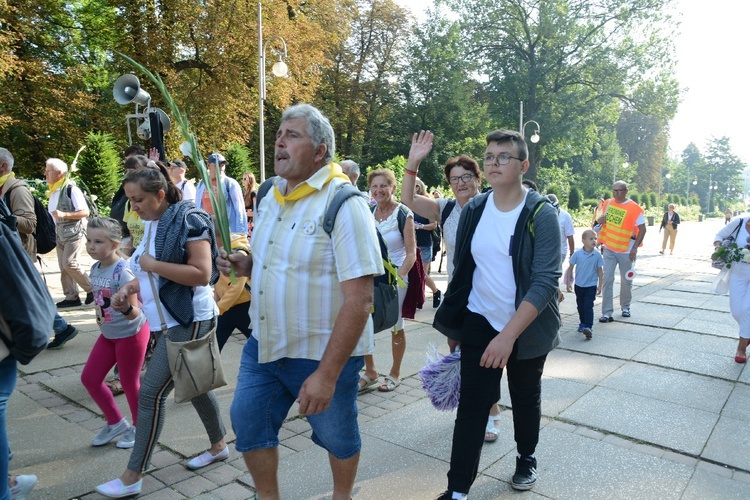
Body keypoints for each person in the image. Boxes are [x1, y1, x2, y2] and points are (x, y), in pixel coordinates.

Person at [219, 103, 382, 500]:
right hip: (266, 344)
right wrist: (248, 264)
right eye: (279, 133)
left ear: (320, 151)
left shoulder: (345, 204)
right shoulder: (270, 195)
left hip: (323, 353)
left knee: (337, 436)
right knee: (248, 422)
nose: (279, 141)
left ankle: (341, 496)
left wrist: (326, 375)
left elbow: (360, 300)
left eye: (292, 135)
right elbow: (275, 263)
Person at [434, 129, 561, 497]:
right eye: (489, 156)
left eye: (503, 156)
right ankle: (457, 490)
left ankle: (526, 457)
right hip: (480, 319)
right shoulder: (475, 208)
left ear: (523, 165)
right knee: (472, 407)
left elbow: (544, 282)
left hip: (526, 328)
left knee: (524, 398)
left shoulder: (541, 213)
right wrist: (455, 323)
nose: (493, 162)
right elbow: (464, 270)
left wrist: (508, 337)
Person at [95, 164, 227, 498]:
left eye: (138, 199)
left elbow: (200, 272)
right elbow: (153, 274)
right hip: (169, 321)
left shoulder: (189, 219)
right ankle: (219, 445)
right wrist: (131, 288)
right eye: (129, 200)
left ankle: (132, 475)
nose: (133, 206)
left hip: (189, 318)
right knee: (195, 385)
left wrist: (151, 267)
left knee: (151, 394)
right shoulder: (154, 223)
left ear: (160, 193)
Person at [401, 132, 502, 441]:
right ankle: (470, 404)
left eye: (467, 177)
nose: (461, 183)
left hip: (490, 294)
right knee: (457, 350)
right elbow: (407, 200)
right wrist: (413, 163)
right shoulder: (445, 209)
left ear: (477, 178)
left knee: (486, 356)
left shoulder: (493, 206)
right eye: (455, 178)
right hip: (460, 296)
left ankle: (491, 413)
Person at [81, 217, 149, 449]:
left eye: (98, 241)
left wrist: (126, 307)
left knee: (129, 383)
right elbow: (101, 302)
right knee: (89, 378)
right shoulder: (95, 267)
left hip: (131, 334)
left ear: (115, 244)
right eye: (89, 240)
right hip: (109, 334)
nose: (91, 246)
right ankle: (116, 423)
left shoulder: (124, 271)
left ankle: (141, 428)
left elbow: (136, 315)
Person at [363, 168, 416, 393]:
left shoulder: (404, 213)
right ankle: (371, 371)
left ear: (393, 188)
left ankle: (395, 373)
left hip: (395, 277)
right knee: (363, 323)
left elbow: (411, 253)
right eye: (374, 186)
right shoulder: (367, 211)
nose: (378, 190)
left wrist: (399, 277)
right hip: (370, 276)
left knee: (396, 324)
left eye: (383, 185)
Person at [45, 158, 94, 309]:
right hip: (59, 233)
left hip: (74, 232)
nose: (45, 174)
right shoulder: (54, 190)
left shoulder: (71, 189)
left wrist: (64, 215)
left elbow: (85, 212)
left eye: (48, 171)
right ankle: (71, 296)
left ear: (59, 173)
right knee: (63, 266)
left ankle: (92, 289)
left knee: (69, 263)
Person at [596, 181, 646, 322]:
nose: (616, 193)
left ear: (626, 191)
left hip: (626, 250)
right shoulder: (608, 203)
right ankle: (606, 312)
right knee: (607, 279)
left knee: (626, 280)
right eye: (614, 190)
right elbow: (601, 222)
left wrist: (635, 248)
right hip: (609, 248)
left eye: (619, 190)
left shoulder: (634, 208)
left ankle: (625, 307)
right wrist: (599, 221)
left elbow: (642, 229)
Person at [713, 218, 750, 363]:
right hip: (738, 273)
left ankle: (741, 348)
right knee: (736, 311)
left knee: (747, 309)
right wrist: (718, 248)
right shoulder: (739, 223)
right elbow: (719, 236)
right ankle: (747, 331)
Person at [214, 232, 252, 351]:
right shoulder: (218, 251)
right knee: (214, 345)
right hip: (226, 307)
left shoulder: (237, 251)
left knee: (258, 344)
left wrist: (218, 308)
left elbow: (237, 287)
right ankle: (208, 367)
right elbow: (217, 283)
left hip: (244, 306)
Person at [565, 229, 604, 339]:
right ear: (583, 241)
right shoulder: (577, 254)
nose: (594, 241)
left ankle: (588, 326)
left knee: (588, 305)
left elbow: (600, 271)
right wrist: (568, 283)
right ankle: (582, 323)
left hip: (591, 285)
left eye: (595, 238)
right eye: (591, 239)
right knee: (580, 306)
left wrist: (600, 285)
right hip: (579, 285)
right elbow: (570, 268)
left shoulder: (597, 255)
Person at [195, 153, 247, 234]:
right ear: (208, 165)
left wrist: (242, 233)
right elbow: (197, 206)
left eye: (223, 165)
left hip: (226, 232)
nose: (221, 168)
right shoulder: (202, 184)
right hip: (207, 230)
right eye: (217, 165)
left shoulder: (230, 184)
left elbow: (240, 210)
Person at [414, 177, 441, 307]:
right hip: (410, 243)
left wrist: (420, 226)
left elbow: (434, 225)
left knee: (422, 274)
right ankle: (418, 299)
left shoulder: (427, 203)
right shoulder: (407, 204)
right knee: (413, 274)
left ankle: (436, 292)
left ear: (418, 188)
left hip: (424, 244)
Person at [111, 144, 147, 242]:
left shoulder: (154, 202)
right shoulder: (128, 202)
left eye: (131, 170)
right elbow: (132, 240)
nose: (127, 174)